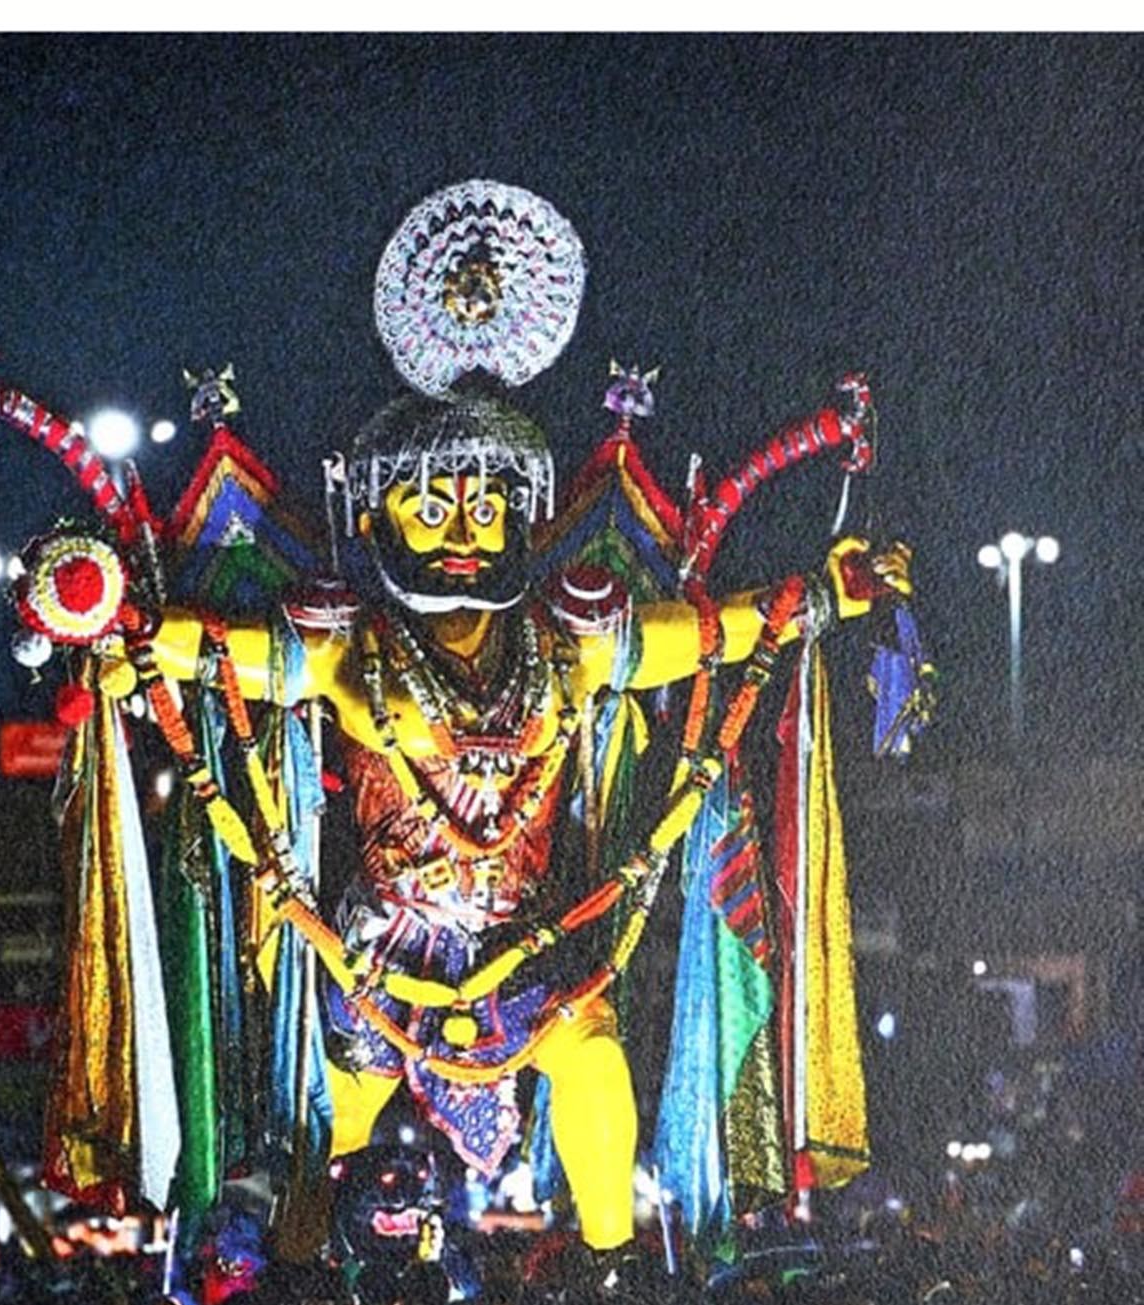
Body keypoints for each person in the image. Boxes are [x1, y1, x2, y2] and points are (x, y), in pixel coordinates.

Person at [138, 378, 910, 1253]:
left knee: (594, 1063)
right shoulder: (347, 650)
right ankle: (296, 1283)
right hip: (385, 950)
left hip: (528, 942)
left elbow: (708, 633)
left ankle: (617, 1277)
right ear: (378, 522)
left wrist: (823, 595)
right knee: (333, 1128)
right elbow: (215, 652)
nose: (462, 536)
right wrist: (119, 622)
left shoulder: (568, 646)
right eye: (431, 511)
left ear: (520, 524)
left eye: (486, 510)